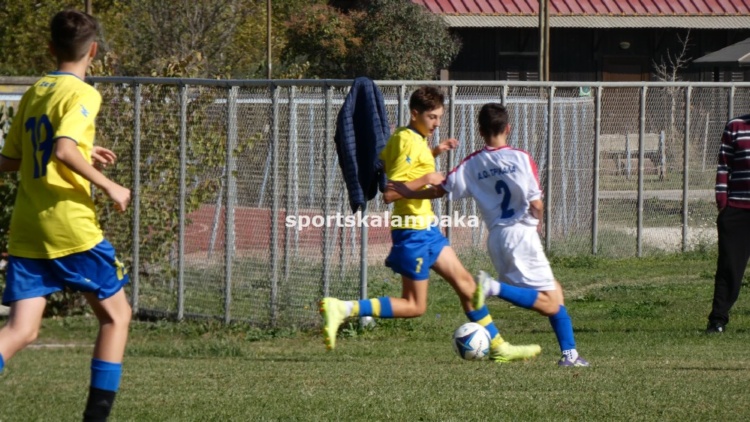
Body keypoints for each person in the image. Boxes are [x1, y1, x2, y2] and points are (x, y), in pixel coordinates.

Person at [319, 87, 541, 363]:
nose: (437, 123)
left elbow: (401, 168)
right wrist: (428, 177)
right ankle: (343, 308)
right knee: (414, 305)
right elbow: (390, 192)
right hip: (413, 231)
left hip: (427, 229)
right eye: (432, 117)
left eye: (439, 117)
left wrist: (435, 152)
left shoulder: (410, 136)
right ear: (415, 114)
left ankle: (498, 346)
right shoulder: (407, 141)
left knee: (467, 286)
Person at [0, 10, 132, 421]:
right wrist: (109, 185)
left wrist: (82, 151)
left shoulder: (36, 91)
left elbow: (11, 160)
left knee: (21, 331)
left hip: (28, 227)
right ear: (93, 51)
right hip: (68, 226)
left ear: (50, 47)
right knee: (116, 316)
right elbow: (61, 149)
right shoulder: (83, 93)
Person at [389, 103, 589, 367]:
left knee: (554, 290)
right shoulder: (521, 157)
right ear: (508, 128)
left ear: (480, 131)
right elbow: (536, 203)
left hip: (496, 238)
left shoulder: (472, 163)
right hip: (522, 235)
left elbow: (441, 189)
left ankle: (570, 354)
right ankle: (493, 287)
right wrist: (537, 223)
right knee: (551, 303)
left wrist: (408, 192)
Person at [706, 114, 750, 334]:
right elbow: (724, 166)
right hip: (737, 210)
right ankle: (718, 320)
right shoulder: (736, 127)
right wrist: (723, 203)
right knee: (729, 268)